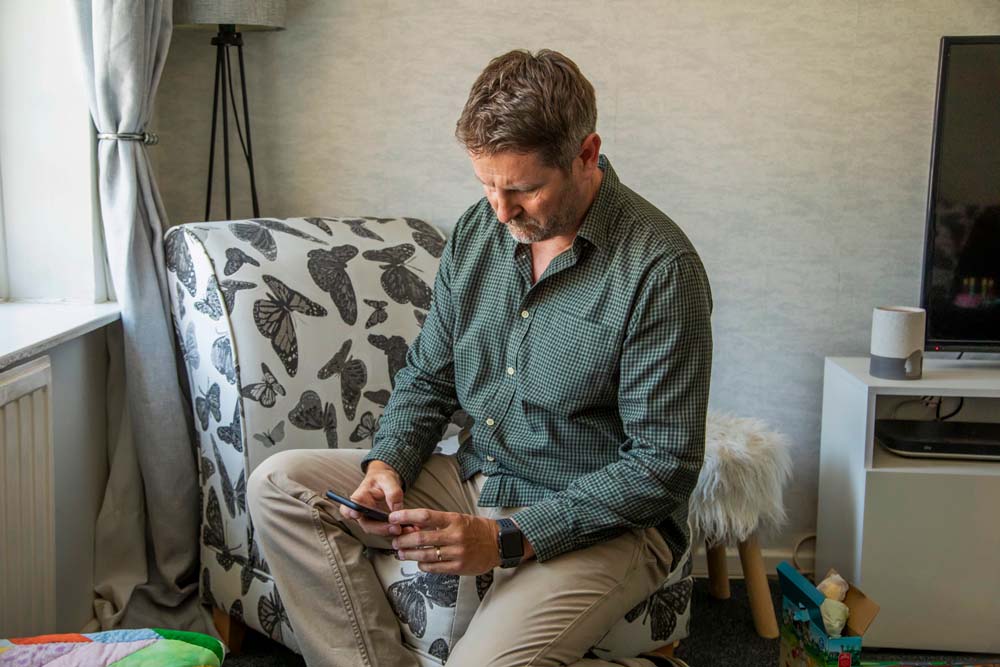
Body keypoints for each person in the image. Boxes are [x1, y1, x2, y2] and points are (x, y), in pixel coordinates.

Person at [248, 48, 713, 667]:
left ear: (586, 154)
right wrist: (389, 461)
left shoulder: (661, 269)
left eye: (523, 188)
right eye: (486, 185)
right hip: (479, 475)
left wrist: (506, 539)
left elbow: (663, 465)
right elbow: (429, 375)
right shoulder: (478, 231)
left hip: (607, 521)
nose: (501, 210)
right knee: (279, 484)